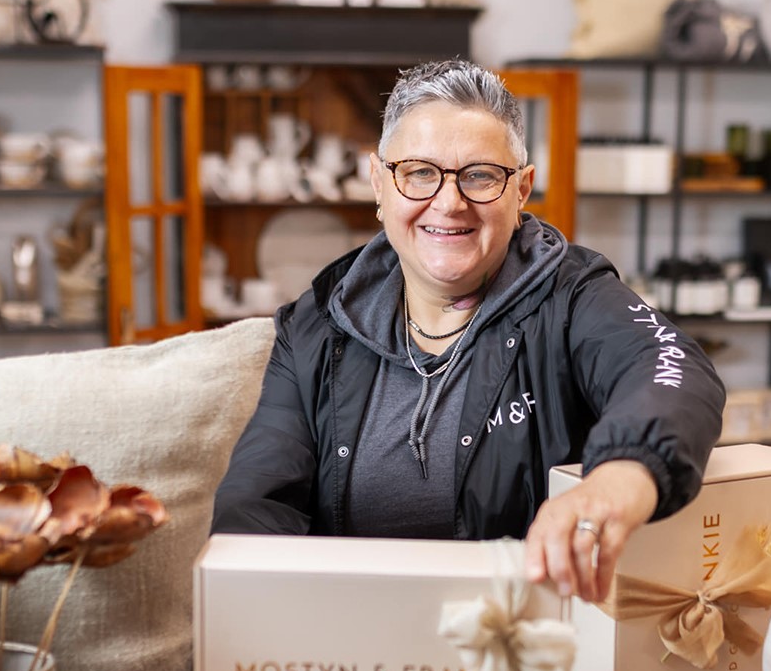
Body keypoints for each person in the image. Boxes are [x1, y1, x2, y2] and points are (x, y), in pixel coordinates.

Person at [212, 58, 726, 597]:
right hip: (349, 645)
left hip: (517, 647)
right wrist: (250, 621)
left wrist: (621, 475)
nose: (449, 202)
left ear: (522, 189)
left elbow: (674, 368)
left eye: (480, 175)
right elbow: (256, 503)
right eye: (419, 173)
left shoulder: (571, 295)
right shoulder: (316, 325)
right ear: (379, 184)